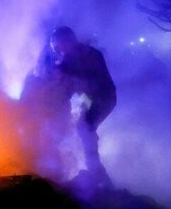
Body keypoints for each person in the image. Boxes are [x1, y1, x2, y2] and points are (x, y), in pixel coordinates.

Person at [20, 26, 116, 188]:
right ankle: (97, 173)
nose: (58, 51)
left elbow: (92, 79)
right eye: (55, 48)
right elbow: (68, 89)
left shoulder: (91, 55)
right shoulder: (66, 60)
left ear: (69, 40)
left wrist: (67, 71)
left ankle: (98, 173)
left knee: (84, 127)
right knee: (81, 124)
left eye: (59, 46)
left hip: (104, 96)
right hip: (88, 98)